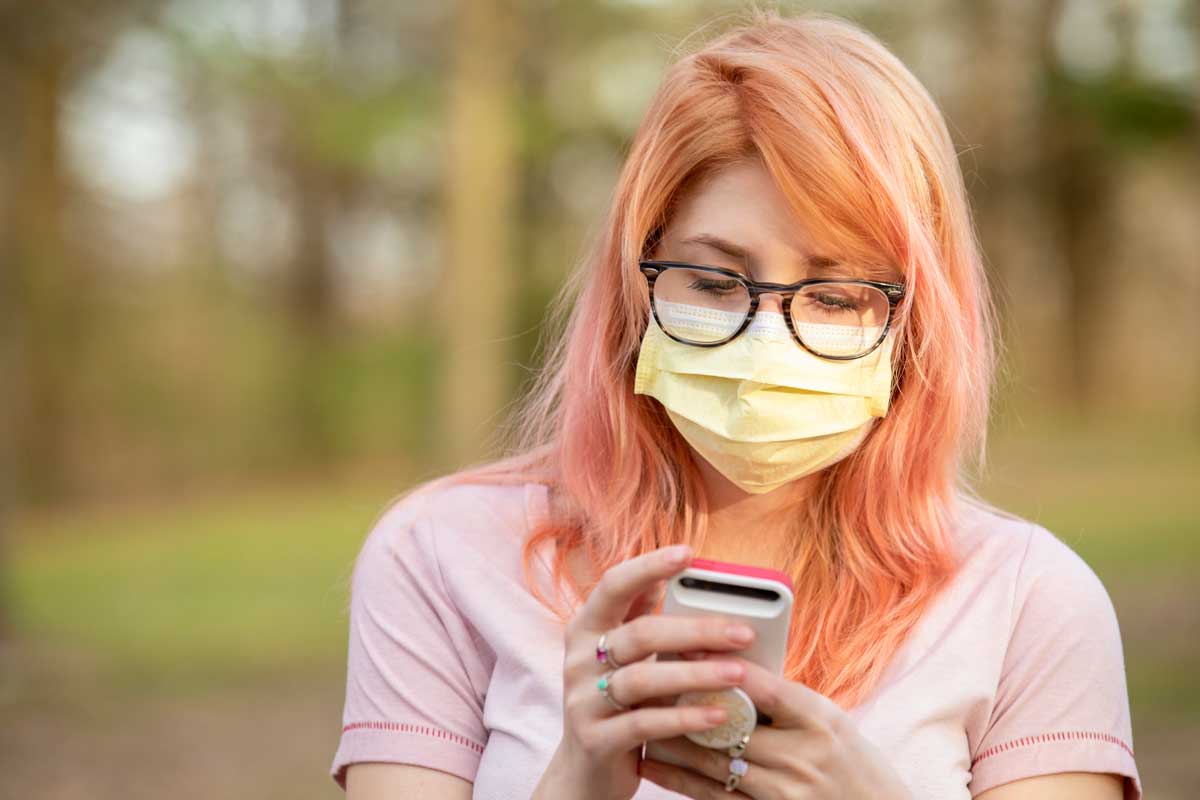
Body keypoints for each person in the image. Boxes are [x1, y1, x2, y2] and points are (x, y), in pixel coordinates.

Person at [330, 8, 1142, 800]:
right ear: (634, 285)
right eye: (716, 284)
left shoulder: (1029, 603)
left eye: (835, 296)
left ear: (916, 319)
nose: (766, 344)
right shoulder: (441, 558)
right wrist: (577, 781)